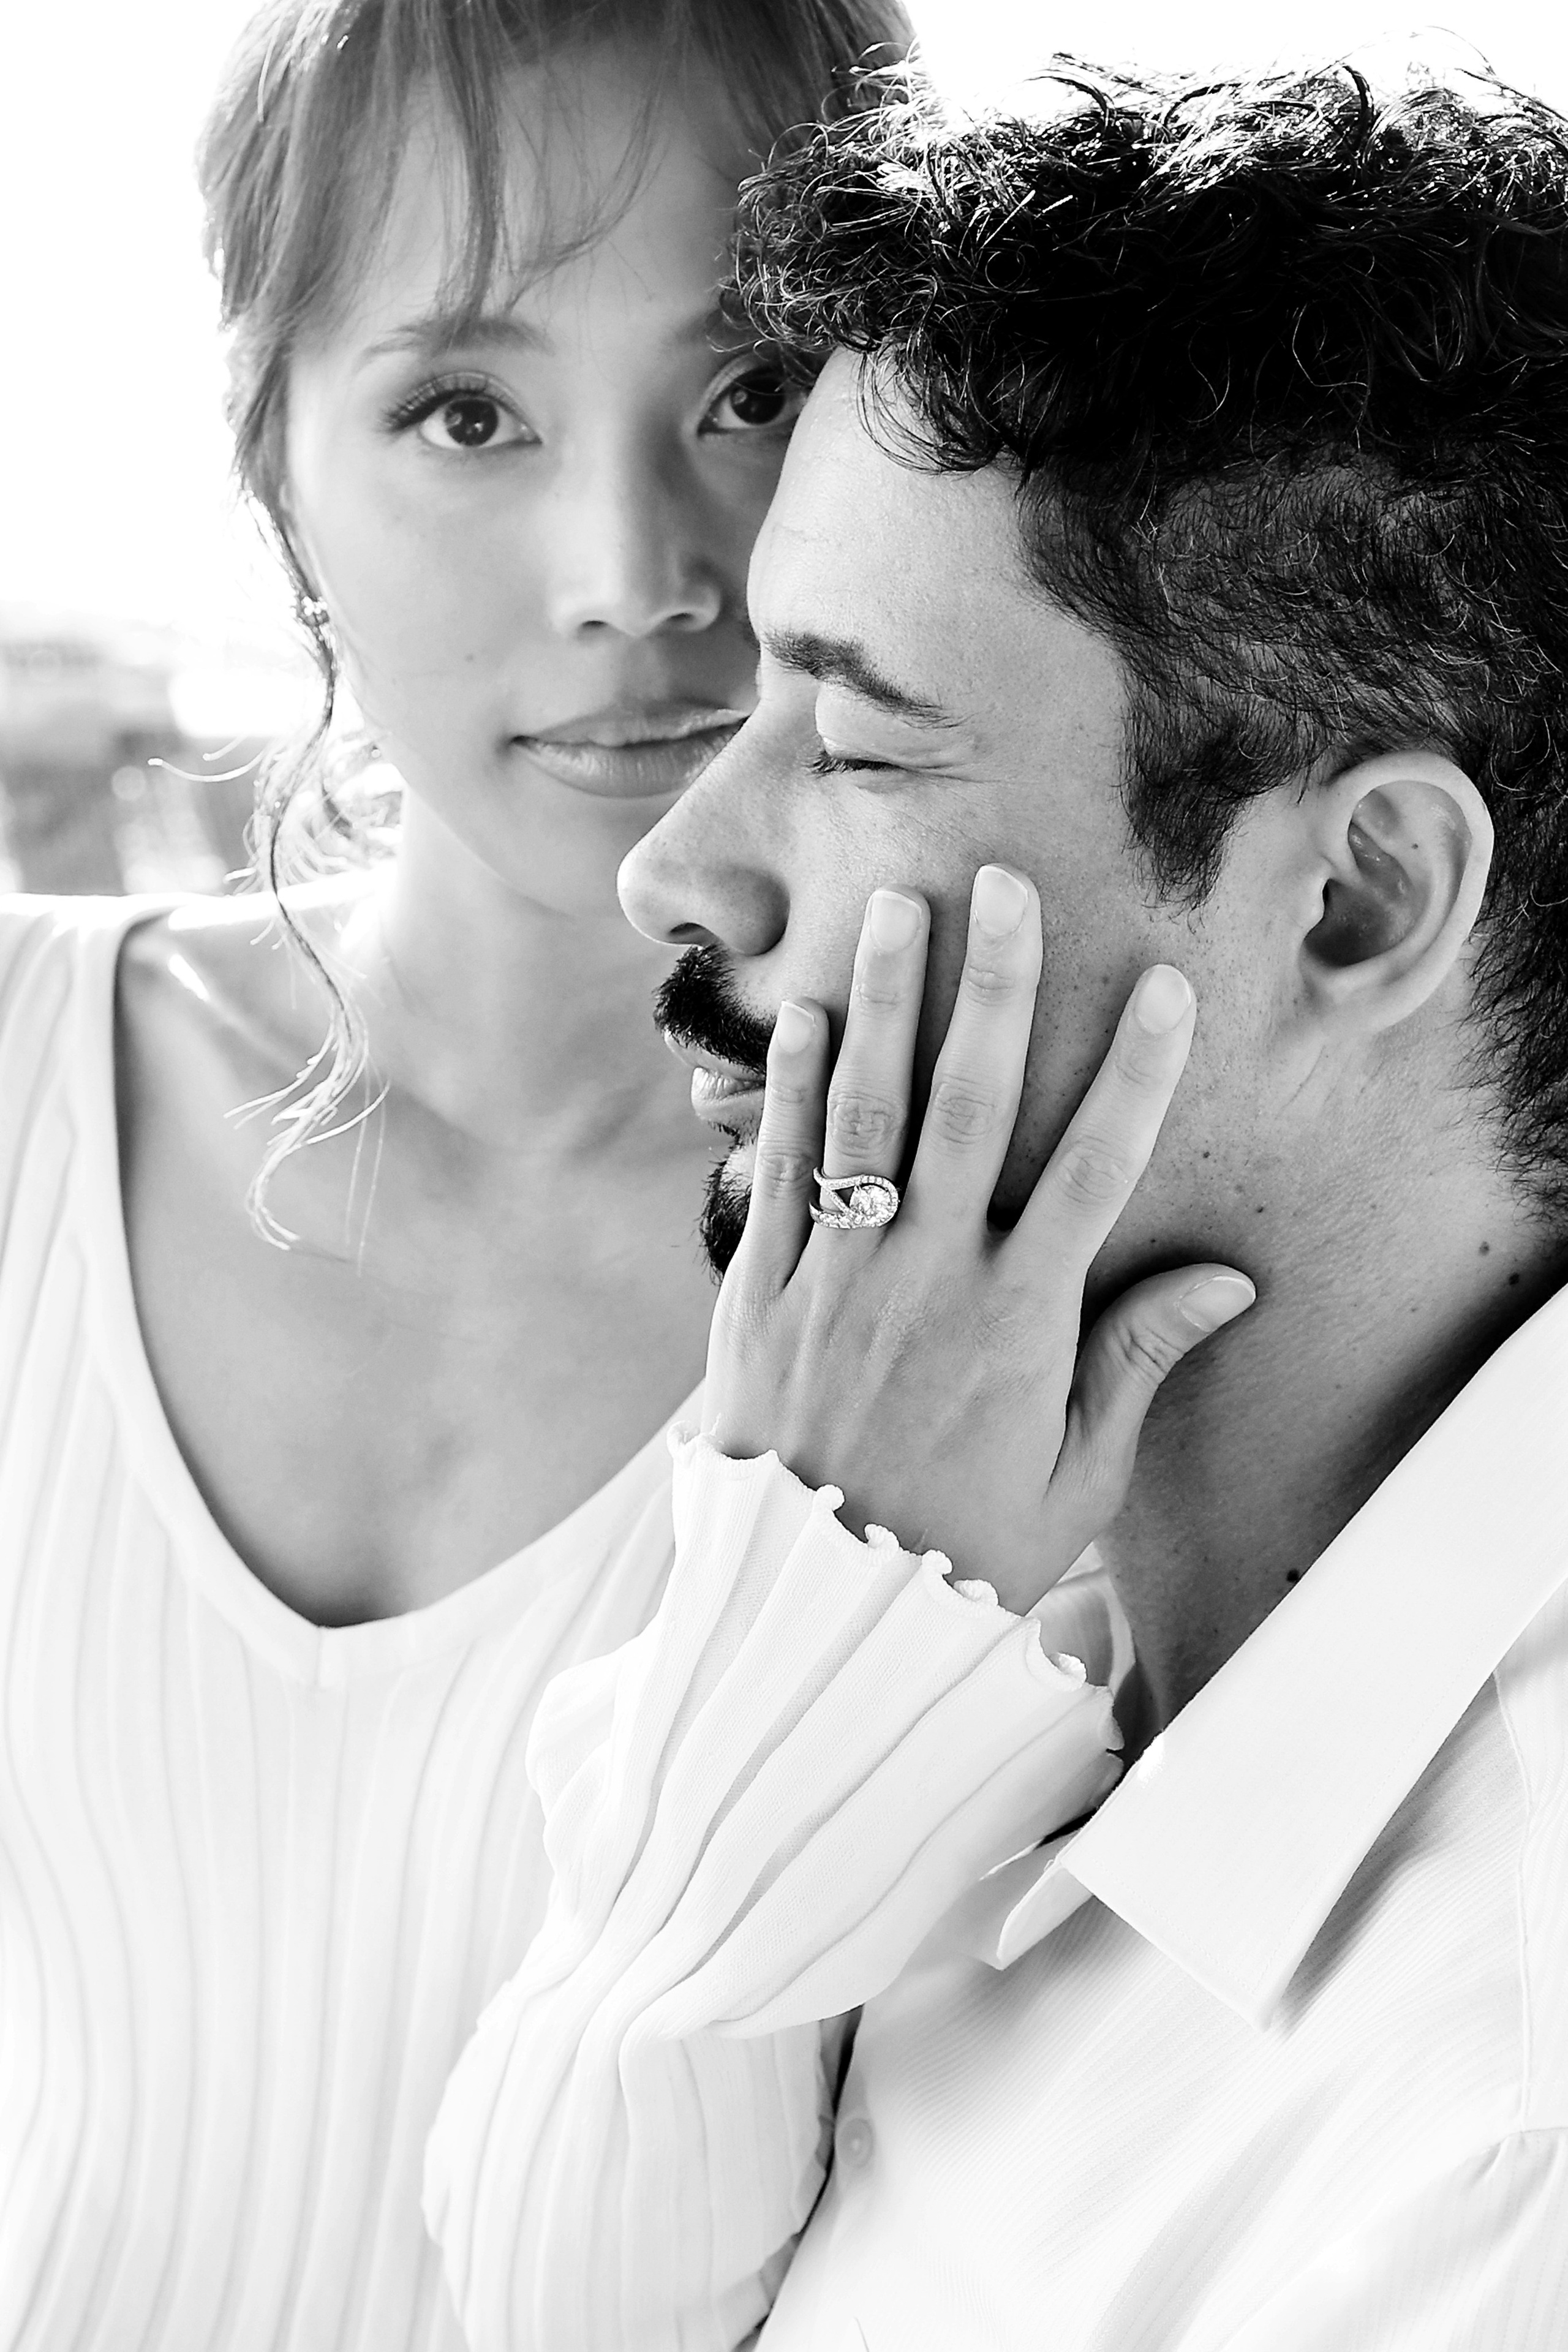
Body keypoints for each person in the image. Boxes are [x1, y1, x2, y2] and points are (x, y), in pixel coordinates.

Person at [423, 62, 1568, 2350]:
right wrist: (792, 1624)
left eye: (849, 743)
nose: (680, 867)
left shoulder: (1493, 2137)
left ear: (1353, 900)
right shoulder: (957, 1613)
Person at [0, 3, 914, 2345]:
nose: (636, 574)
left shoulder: (991, 1299)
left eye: (752, 391)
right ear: (274, 465)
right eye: (464, 411)